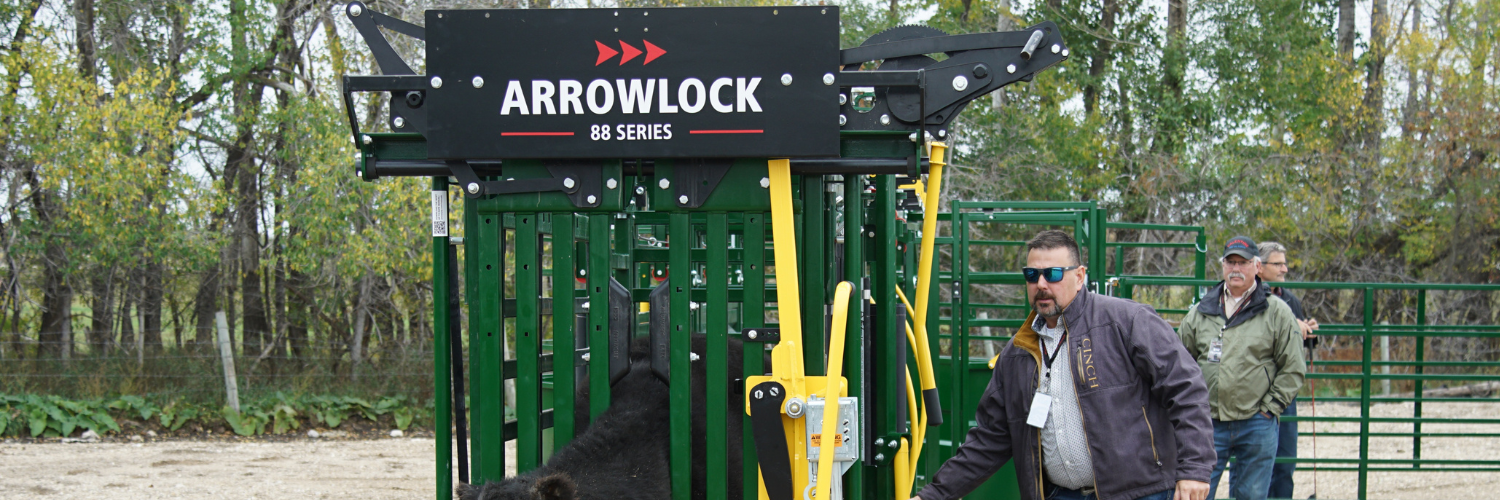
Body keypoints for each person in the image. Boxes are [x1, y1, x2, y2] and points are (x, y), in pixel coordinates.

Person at [912, 230, 1215, 500]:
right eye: (1032, 274)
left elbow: (1186, 391)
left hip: (1142, 492)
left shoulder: (1127, 322)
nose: (1041, 284)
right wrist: (934, 495)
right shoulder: (1018, 353)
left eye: (1053, 273)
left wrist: (1196, 469)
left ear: (1080, 276)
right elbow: (991, 437)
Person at [1177, 236, 1305, 500]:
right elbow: (1179, 362)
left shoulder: (1277, 312)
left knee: (1252, 495)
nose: (1236, 268)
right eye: (1230, 262)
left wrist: (1270, 409)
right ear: (1222, 266)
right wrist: (1192, 408)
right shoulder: (1201, 312)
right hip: (1208, 423)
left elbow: (1293, 367)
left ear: (1257, 267)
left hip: (1256, 423)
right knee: (1195, 492)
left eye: (1243, 263)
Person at [1257, 241, 1319, 499]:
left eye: (1284, 263)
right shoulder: (1250, 296)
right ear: (1260, 267)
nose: (1284, 268)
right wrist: (1290, 323)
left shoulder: (1290, 298)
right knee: (1256, 460)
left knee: (1285, 460)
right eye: (1278, 263)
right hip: (1257, 389)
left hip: (1286, 392)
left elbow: (1299, 344)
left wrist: (1309, 331)